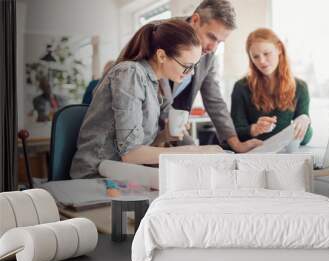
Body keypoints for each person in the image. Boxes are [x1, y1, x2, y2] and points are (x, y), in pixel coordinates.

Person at [70, 19, 223, 179]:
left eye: (194, 66)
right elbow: (131, 154)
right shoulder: (130, 73)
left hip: (123, 173)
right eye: (187, 66)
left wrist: (165, 136)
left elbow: (137, 147)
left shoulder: (157, 83)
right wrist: (195, 152)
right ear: (162, 56)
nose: (191, 73)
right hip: (95, 176)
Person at [160, 0, 262, 153]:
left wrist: (237, 144)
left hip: (170, 130)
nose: (213, 48)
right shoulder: (160, 33)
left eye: (220, 42)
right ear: (195, 20)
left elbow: (214, 99)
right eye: (211, 37)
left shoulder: (208, 52)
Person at [230, 28, 312, 145]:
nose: (262, 61)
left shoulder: (300, 87)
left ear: (279, 48)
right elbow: (235, 134)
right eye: (255, 57)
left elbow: (304, 140)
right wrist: (254, 129)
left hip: (285, 156)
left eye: (266, 53)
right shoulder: (241, 87)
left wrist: (305, 120)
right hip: (254, 155)